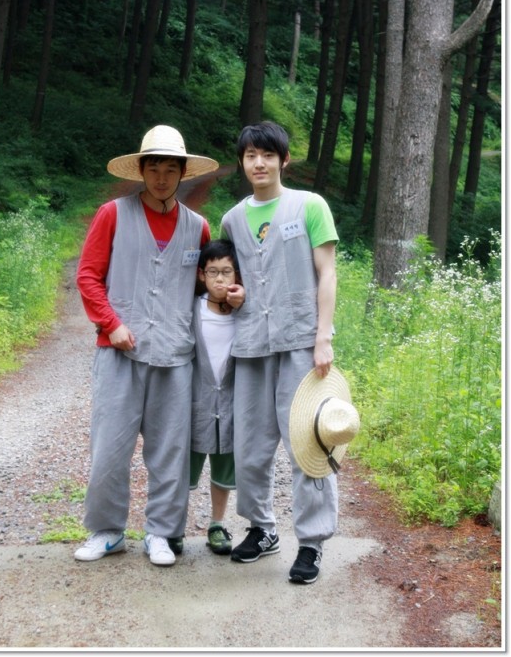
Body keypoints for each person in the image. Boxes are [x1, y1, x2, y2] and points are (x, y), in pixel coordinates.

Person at [74, 125, 218, 567]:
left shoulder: (198, 228)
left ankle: (162, 532)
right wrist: (111, 323)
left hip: (175, 355)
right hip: (120, 351)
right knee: (109, 448)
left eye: (170, 169)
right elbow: (88, 275)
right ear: (141, 170)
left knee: (171, 451)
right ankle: (107, 531)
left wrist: (227, 295)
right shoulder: (113, 214)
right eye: (153, 168)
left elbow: (205, 285)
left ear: (182, 173)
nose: (161, 178)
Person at [220, 120, 339, 584]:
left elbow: (327, 273)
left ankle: (311, 543)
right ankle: (262, 528)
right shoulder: (232, 219)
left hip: (300, 342)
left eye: (268, 155)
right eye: (251, 155)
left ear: (283, 160)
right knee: (250, 444)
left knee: (308, 443)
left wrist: (323, 336)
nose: (259, 163)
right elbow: (231, 281)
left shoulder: (310, 206)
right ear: (242, 162)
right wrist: (232, 296)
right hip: (251, 344)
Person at [190, 240, 244, 555]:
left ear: (237, 274)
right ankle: (173, 526)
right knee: (185, 465)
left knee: (225, 465)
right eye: (213, 272)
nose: (220, 279)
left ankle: (217, 524)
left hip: (230, 403)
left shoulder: (244, 312)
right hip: (195, 402)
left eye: (227, 271)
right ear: (202, 274)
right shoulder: (193, 309)